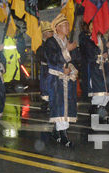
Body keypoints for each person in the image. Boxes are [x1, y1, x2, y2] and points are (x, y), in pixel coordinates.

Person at [45, 13, 79, 147]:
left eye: (68, 24)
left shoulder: (68, 42)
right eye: (64, 25)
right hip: (56, 79)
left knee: (67, 105)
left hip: (68, 79)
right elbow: (52, 59)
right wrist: (66, 50)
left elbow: (76, 59)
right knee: (59, 105)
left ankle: (56, 131)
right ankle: (64, 135)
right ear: (57, 28)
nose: (67, 27)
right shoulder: (50, 42)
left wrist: (71, 67)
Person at [80, 25, 109, 122]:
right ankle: (96, 114)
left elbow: (107, 53)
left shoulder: (102, 39)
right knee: (98, 94)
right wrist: (101, 56)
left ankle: (101, 112)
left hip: (104, 70)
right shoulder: (88, 41)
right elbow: (90, 56)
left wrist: (107, 54)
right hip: (95, 70)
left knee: (107, 94)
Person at [37, 21, 54, 113]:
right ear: (45, 34)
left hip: (52, 68)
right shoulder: (41, 46)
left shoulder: (52, 44)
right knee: (46, 87)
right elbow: (41, 57)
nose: (52, 34)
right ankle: (45, 104)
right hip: (46, 69)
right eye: (50, 32)